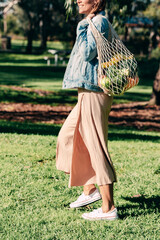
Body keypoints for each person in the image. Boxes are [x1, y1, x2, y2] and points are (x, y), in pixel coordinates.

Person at [56, 0, 119, 221]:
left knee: (96, 146)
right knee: (68, 137)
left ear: (97, 1)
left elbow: (88, 53)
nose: (77, 0)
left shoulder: (97, 21)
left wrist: (82, 26)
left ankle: (108, 208)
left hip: (95, 92)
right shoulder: (93, 21)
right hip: (86, 92)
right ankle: (89, 189)